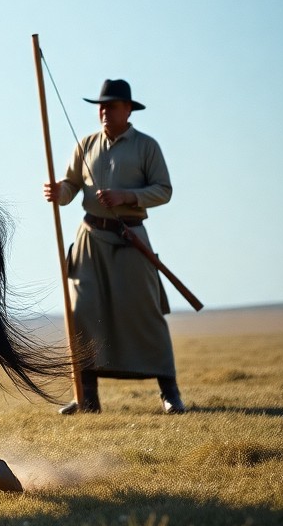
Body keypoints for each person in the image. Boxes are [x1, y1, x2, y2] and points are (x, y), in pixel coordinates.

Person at [43, 79, 187, 415]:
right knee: (82, 313)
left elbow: (164, 190)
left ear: (127, 109)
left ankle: (170, 393)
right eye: (101, 106)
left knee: (146, 312)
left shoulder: (146, 146)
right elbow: (70, 188)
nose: (104, 111)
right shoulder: (86, 144)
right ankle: (87, 399)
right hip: (90, 239)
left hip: (131, 238)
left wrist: (128, 196)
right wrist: (57, 191)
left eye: (112, 105)